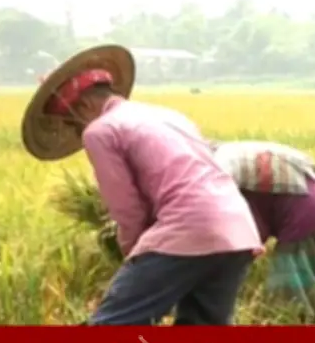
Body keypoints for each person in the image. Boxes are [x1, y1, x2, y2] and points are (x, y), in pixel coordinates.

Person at [21, 44, 263, 325]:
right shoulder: (168, 115)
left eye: (73, 125)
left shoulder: (101, 130)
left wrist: (135, 254)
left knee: (112, 325)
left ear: (85, 106)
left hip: (187, 227)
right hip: (237, 230)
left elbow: (126, 207)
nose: (78, 132)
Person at [211, 140, 315, 323]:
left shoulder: (221, 170)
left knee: (290, 292)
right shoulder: (238, 156)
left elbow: (247, 228)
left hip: (304, 213)